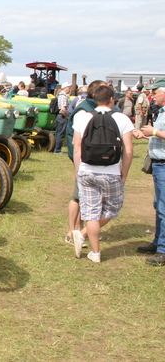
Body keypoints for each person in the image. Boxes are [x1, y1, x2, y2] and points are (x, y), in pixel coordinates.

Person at [71, 84, 134, 262]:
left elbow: (77, 147)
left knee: (90, 212)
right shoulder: (122, 119)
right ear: (112, 100)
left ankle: (95, 252)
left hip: (86, 170)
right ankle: (83, 235)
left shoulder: (83, 117)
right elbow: (128, 151)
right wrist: (124, 173)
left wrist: (78, 171)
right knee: (112, 209)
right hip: (111, 171)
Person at [65, 80, 106, 245]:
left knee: (86, 197)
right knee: (77, 197)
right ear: (96, 94)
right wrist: (78, 165)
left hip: (91, 159)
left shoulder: (94, 109)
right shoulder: (83, 111)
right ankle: (71, 231)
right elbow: (76, 142)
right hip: (82, 160)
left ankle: (82, 229)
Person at [134, 79, 165, 266]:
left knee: (163, 207)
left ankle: (162, 249)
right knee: (159, 205)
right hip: (158, 164)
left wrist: (154, 132)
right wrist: (146, 134)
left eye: (155, 92)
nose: (151, 96)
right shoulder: (161, 112)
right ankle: (158, 242)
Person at [53, 82, 71, 154]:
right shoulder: (63, 96)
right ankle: (57, 150)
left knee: (58, 133)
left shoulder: (60, 95)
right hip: (62, 116)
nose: (70, 89)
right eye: (69, 88)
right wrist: (67, 116)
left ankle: (56, 149)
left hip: (59, 116)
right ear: (65, 88)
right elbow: (63, 108)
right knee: (61, 134)